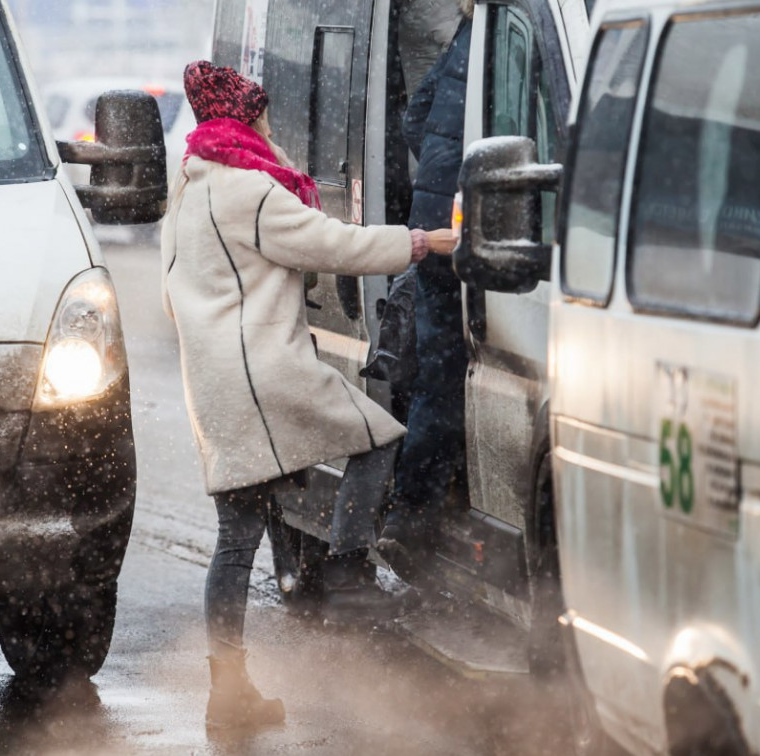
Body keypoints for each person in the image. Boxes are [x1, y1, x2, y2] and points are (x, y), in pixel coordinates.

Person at [161, 61, 455, 730]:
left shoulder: (190, 185)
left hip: (216, 381)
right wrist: (415, 242)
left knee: (236, 540)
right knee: (377, 437)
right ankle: (347, 572)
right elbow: (329, 244)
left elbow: (172, 295)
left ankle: (228, 690)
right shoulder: (247, 187)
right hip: (265, 373)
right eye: (260, 109)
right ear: (245, 115)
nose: (269, 120)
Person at [378, 0, 475, 566]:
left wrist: (439, 175)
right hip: (467, 229)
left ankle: (412, 512)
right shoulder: (504, 36)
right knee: (454, 377)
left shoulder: (467, 35)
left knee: (437, 375)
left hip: (437, 221)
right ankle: (419, 515)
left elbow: (415, 117)